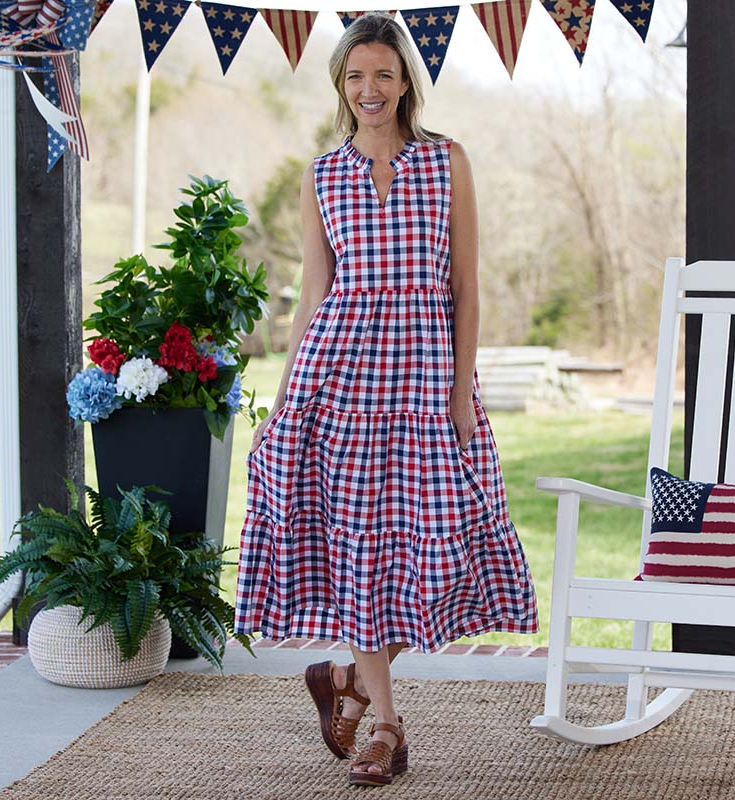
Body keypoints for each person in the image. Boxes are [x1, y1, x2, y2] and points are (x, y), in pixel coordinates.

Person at [233, 11, 538, 787]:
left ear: (406, 83)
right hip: (339, 378)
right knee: (365, 550)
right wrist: (284, 394)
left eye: (385, 74)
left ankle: (345, 678)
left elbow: (465, 287)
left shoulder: (447, 162)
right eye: (355, 76)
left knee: (441, 550)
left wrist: (463, 392)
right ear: (341, 83)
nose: (370, 89)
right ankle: (386, 727)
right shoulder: (323, 173)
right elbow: (316, 292)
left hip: (427, 377)